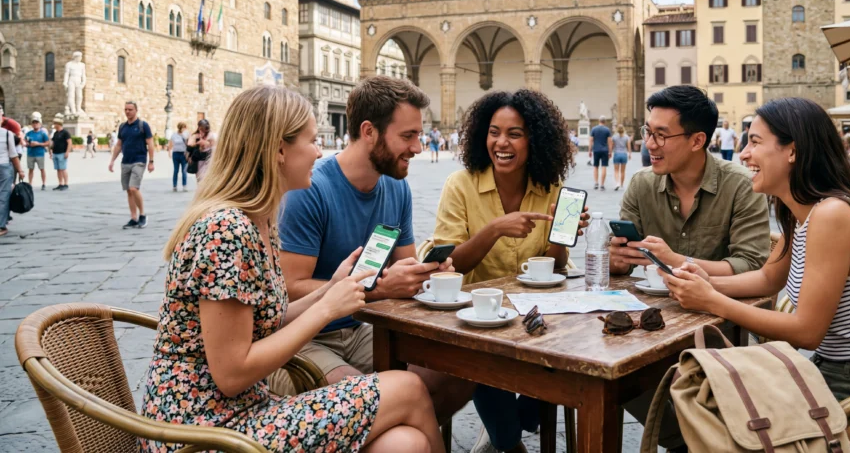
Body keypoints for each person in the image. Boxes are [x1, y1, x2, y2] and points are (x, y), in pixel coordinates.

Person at [140, 85, 444, 453]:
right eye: (312, 140)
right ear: (279, 149)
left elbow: (267, 320)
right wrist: (326, 311)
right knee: (408, 388)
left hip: (243, 413)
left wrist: (328, 291)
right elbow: (233, 374)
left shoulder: (258, 222)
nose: (320, 151)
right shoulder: (226, 230)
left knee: (405, 443)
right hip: (204, 430)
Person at [663, 97, 850, 452]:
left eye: (755, 142)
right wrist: (698, 280)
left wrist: (712, 300)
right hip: (833, 383)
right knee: (719, 416)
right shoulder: (802, 213)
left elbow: (807, 331)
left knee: (731, 430)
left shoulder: (832, 215)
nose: (744, 154)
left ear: (792, 151)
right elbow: (766, 279)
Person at [270, 76, 474, 423]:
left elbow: (405, 267)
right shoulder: (311, 189)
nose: (419, 147)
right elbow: (289, 288)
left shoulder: (397, 189)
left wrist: (426, 276)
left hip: (367, 328)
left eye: (419, 135)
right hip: (305, 337)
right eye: (407, 136)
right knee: (369, 400)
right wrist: (378, 288)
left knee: (460, 370)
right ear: (369, 131)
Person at [432, 89, 587, 453]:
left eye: (514, 134)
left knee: (569, 352)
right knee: (484, 357)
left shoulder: (549, 186)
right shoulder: (461, 185)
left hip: (534, 311)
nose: (501, 142)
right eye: (493, 131)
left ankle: (513, 428)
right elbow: (450, 263)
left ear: (534, 139)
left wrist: (563, 237)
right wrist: (495, 228)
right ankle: (508, 440)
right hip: (475, 314)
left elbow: (557, 266)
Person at [616, 86, 770, 448]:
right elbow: (627, 256)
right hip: (651, 323)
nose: (650, 144)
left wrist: (676, 260)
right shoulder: (641, 184)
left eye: (661, 135)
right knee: (615, 377)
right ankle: (690, 440)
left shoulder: (741, 186)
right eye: (647, 132)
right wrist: (617, 259)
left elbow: (752, 265)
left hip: (717, 328)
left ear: (698, 140)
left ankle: (696, 438)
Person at [108, 101, 155, 229]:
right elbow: (119, 144)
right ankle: (133, 218)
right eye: (126, 109)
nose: (128, 112)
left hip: (139, 160)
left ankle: (143, 214)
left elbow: (150, 143)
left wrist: (151, 161)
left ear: (136, 110)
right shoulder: (122, 127)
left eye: (130, 109)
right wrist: (112, 160)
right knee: (129, 190)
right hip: (126, 161)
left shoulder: (143, 125)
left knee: (134, 188)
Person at [0, 106, 26, 238]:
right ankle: (1, 225)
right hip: (4, 166)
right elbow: (13, 155)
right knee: (3, 196)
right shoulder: (7, 134)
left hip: (4, 167)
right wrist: (20, 170)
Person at [24, 118, 49, 190]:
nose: (35, 124)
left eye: (36, 123)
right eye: (34, 123)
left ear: (40, 124)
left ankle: (43, 183)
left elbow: (47, 143)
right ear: (32, 124)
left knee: (42, 169)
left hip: (40, 153)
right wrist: (28, 144)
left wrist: (38, 144)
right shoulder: (29, 133)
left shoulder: (43, 133)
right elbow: (25, 142)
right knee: (30, 169)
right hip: (30, 153)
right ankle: (30, 183)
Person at [589, 115, 612, 190]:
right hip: (605, 150)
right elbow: (609, 142)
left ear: (599, 121)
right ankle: (602, 185)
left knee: (595, 166)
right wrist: (610, 152)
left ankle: (596, 183)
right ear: (605, 121)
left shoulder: (594, 129)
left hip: (596, 150)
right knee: (604, 166)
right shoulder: (607, 130)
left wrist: (590, 150)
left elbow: (591, 140)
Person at [49, 119, 72, 191]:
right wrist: (50, 151)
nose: (54, 125)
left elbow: (69, 142)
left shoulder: (65, 133)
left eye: (55, 124)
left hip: (62, 153)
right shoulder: (55, 133)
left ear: (58, 124)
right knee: (58, 169)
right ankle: (60, 183)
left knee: (63, 168)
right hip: (55, 153)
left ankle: (66, 183)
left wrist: (67, 152)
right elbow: (53, 143)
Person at [610, 124, 632, 191]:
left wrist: (610, 152)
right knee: (623, 171)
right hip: (624, 154)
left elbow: (612, 146)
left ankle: (617, 183)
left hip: (616, 154)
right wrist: (630, 154)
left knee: (616, 170)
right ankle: (622, 184)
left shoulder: (614, 137)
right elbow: (628, 146)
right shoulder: (626, 137)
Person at [169, 122, 189, 192]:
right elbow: (171, 143)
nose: (185, 129)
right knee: (176, 170)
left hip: (183, 154)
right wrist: (169, 152)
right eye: (184, 127)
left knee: (184, 171)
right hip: (176, 154)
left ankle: (184, 185)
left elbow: (188, 144)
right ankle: (174, 185)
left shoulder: (186, 135)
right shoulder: (174, 135)